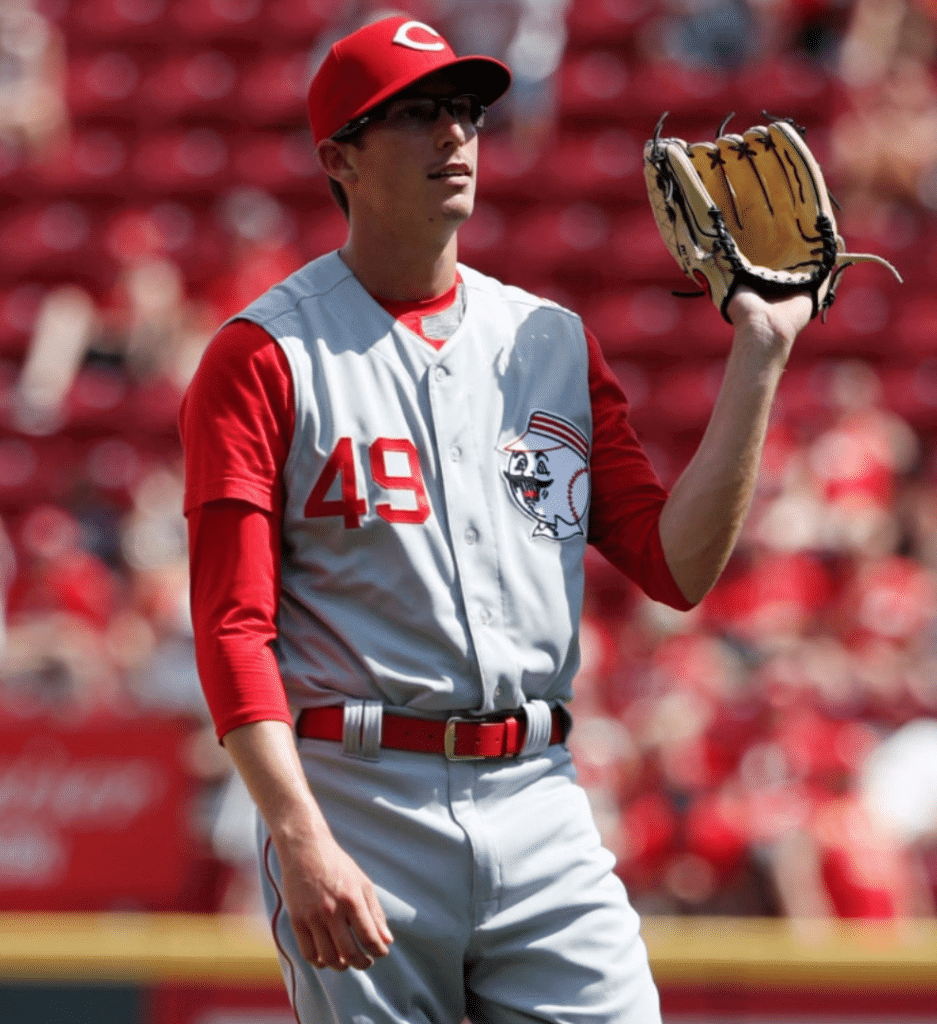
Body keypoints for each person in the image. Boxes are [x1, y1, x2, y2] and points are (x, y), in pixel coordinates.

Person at [180, 14, 812, 1024]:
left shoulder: (548, 342)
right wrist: (297, 833)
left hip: (539, 793)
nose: (455, 136)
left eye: (466, 111)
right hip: (361, 797)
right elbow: (232, 626)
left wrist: (759, 356)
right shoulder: (263, 355)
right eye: (419, 114)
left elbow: (673, 566)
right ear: (338, 156)